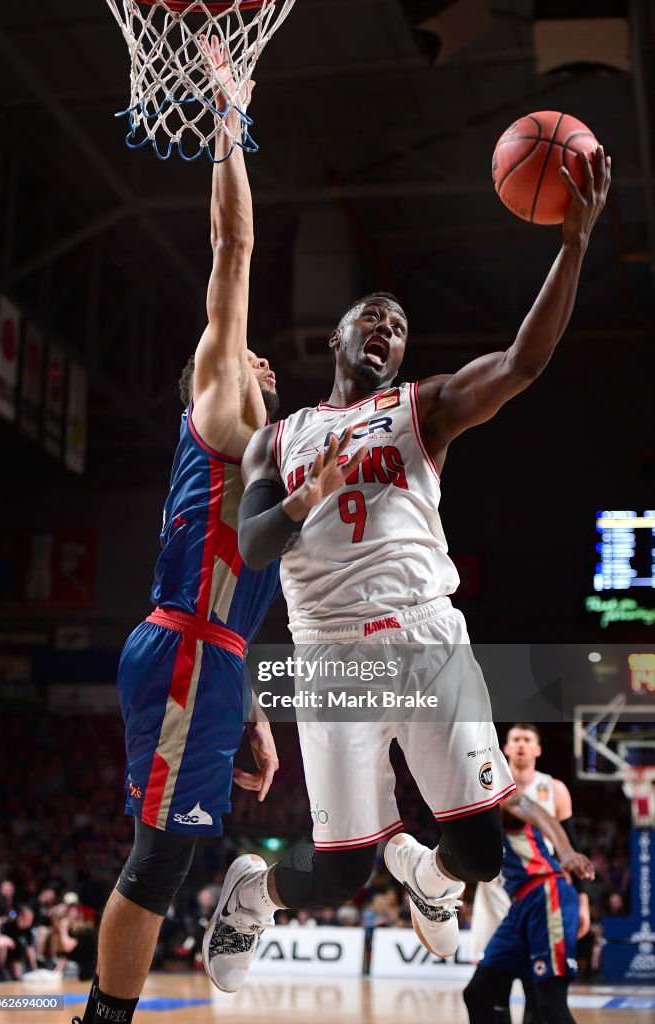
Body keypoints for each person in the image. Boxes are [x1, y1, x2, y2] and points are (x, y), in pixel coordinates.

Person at [198, 145, 611, 994]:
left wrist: (572, 242)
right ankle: (253, 887)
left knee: (480, 856)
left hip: (428, 638)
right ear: (339, 337)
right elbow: (251, 547)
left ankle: (426, 876)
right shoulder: (281, 437)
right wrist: (306, 497)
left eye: (399, 325)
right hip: (330, 656)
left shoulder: (420, 407)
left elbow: (521, 364)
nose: (387, 329)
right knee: (340, 875)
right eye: (373, 318)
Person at [71, 39, 281, 1024]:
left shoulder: (268, 466)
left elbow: (256, 597)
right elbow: (230, 250)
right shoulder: (224, 397)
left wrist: (256, 717)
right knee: (160, 854)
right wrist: (227, 119)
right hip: (188, 650)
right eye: (252, 361)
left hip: (214, 659)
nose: (262, 369)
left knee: (171, 850)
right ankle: (104, 1019)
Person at [471, 723, 591, 1024]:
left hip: (544, 890)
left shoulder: (517, 793)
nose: (521, 745)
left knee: (545, 1001)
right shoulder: (474, 799)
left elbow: (538, 812)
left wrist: (565, 853)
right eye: (516, 739)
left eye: (528, 740)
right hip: (509, 897)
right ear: (505, 748)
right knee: (479, 993)